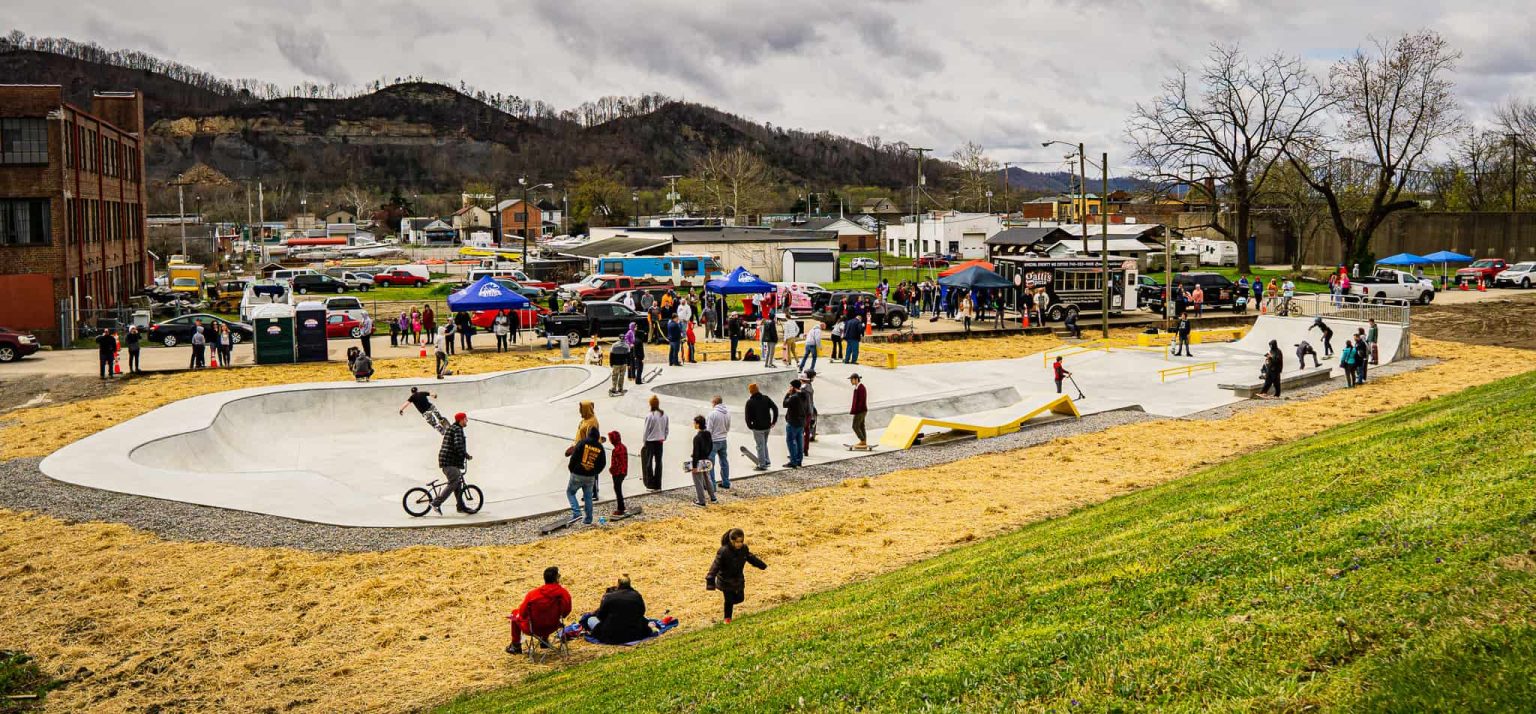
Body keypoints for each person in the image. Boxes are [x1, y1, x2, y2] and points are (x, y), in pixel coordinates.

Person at [506, 566, 573, 655]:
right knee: (547, 615)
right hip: (553, 626)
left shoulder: (533, 594)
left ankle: (516, 645)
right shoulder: (563, 593)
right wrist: (560, 616)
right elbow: (567, 610)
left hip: (533, 629)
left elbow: (522, 614)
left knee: (514, 613)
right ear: (557, 578)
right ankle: (544, 640)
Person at [706, 528, 767, 624]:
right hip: (725, 580)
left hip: (738, 579)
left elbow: (750, 557)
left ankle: (730, 606)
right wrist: (710, 579)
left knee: (740, 598)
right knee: (729, 600)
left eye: (741, 541)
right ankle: (727, 619)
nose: (739, 544)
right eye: (737, 542)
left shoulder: (744, 549)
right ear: (731, 541)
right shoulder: (723, 551)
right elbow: (715, 565)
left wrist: (761, 565)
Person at [586, 575, 650, 645]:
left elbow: (600, 616)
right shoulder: (636, 595)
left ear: (618, 584)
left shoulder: (608, 596)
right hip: (635, 633)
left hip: (612, 635)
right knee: (645, 619)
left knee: (591, 620)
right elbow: (642, 612)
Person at [433, 412, 473, 514]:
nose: (467, 421)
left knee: (458, 484)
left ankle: (460, 506)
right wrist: (466, 455)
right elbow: (458, 446)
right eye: (465, 419)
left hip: (448, 460)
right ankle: (436, 503)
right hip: (449, 461)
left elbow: (457, 445)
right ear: (461, 420)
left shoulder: (453, 428)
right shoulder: (457, 429)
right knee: (454, 482)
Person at [566, 427, 605, 524]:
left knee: (570, 492)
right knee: (588, 497)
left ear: (589, 434)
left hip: (578, 473)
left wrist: (572, 469)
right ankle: (588, 519)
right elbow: (602, 463)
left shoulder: (582, 443)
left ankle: (577, 512)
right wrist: (595, 472)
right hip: (590, 476)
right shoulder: (600, 447)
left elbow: (574, 457)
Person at [744, 382, 778, 470]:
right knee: (764, 444)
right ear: (758, 390)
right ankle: (766, 460)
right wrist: (773, 421)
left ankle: (762, 465)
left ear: (750, 392)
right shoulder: (766, 398)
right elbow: (775, 408)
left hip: (758, 428)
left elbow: (747, 416)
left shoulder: (750, 402)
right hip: (767, 426)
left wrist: (750, 426)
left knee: (760, 446)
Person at [689, 415, 717, 506]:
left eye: (694, 423)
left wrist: (694, 467)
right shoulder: (708, 434)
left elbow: (696, 452)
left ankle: (701, 501)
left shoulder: (697, 437)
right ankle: (713, 498)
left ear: (698, 424)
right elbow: (711, 446)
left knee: (698, 482)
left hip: (699, 461)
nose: (694, 424)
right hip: (706, 459)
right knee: (708, 479)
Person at [706, 395, 731, 489]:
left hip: (713, 442)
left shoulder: (712, 414)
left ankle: (712, 485)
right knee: (724, 461)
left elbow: (709, 430)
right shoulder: (728, 413)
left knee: (710, 464)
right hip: (723, 440)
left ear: (714, 403)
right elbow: (728, 427)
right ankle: (726, 482)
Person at [782, 379, 808, 468]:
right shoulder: (803, 395)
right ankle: (799, 460)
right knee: (799, 442)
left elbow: (784, 404)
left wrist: (787, 394)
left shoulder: (794, 397)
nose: (789, 388)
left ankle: (793, 461)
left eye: (790, 386)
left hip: (793, 423)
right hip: (801, 422)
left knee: (790, 441)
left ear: (793, 387)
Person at [607, 430, 630, 517]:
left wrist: (611, 470)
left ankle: (621, 508)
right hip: (623, 471)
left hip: (617, 473)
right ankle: (621, 507)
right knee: (618, 488)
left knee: (617, 489)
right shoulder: (623, 447)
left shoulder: (616, 450)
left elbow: (615, 463)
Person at [849, 373, 869, 448]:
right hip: (861, 410)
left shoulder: (861, 388)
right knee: (861, 426)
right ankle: (864, 441)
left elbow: (861, 400)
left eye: (851, 380)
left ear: (856, 379)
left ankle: (862, 440)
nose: (851, 381)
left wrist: (857, 410)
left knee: (855, 426)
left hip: (861, 410)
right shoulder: (858, 387)